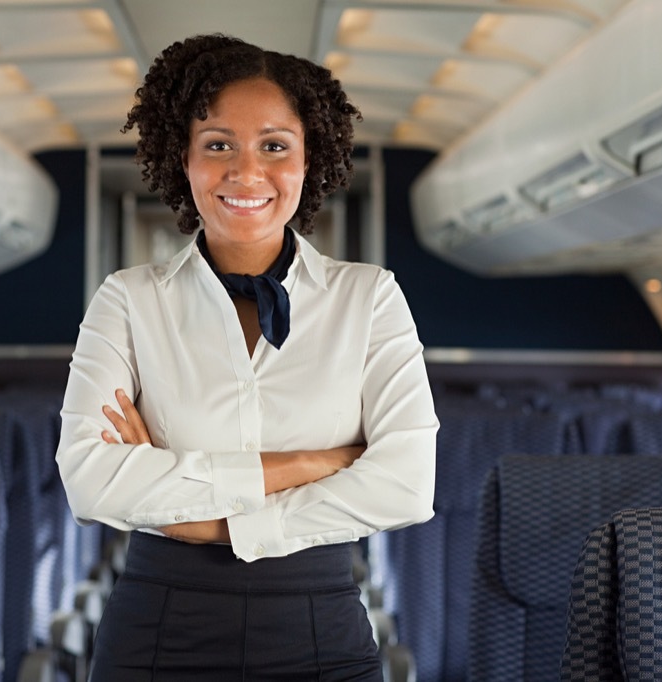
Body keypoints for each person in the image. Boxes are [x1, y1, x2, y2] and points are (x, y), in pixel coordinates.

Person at [56, 33, 439, 681]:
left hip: (320, 625)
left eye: (274, 146)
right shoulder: (128, 301)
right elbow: (92, 482)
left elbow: (404, 486)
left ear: (308, 158)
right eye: (218, 145)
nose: (246, 171)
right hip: (158, 626)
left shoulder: (369, 298)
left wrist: (207, 522)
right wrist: (314, 464)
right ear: (183, 157)